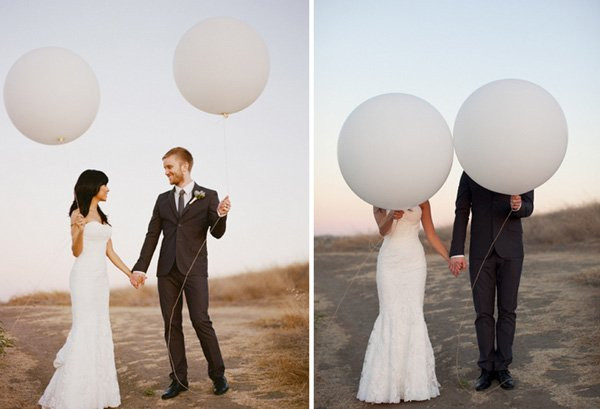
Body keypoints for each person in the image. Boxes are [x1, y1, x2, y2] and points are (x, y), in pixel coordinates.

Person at [131, 147, 231, 400]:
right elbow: (152, 234)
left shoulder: (208, 196)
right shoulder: (162, 199)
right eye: (165, 168)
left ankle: (218, 375)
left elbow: (217, 233)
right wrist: (141, 266)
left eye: (169, 167)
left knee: (200, 320)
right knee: (171, 324)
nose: (166, 172)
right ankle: (178, 380)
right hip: (167, 271)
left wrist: (221, 215)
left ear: (184, 166)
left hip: (195, 270)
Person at [39, 170, 135, 409]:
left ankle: (98, 393)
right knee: (84, 328)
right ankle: (75, 395)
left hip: (100, 279)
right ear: (94, 187)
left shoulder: (101, 215)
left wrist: (130, 273)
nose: (108, 189)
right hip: (82, 277)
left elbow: (110, 251)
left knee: (99, 327)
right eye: (105, 185)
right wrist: (79, 230)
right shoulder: (77, 213)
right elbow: (76, 251)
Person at [449, 171, 534, 391]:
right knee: (483, 312)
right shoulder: (470, 169)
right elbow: (461, 211)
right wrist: (456, 251)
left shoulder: (521, 167)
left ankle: (503, 367)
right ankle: (486, 368)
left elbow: (529, 206)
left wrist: (518, 206)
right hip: (480, 251)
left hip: (512, 251)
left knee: (508, 310)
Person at [357, 201, 448, 403]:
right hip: (389, 262)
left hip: (414, 262)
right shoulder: (379, 198)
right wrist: (392, 215)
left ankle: (415, 384)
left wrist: (449, 258)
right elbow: (383, 231)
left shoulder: (422, 198)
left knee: (413, 313)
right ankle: (386, 385)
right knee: (390, 313)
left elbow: (431, 234)